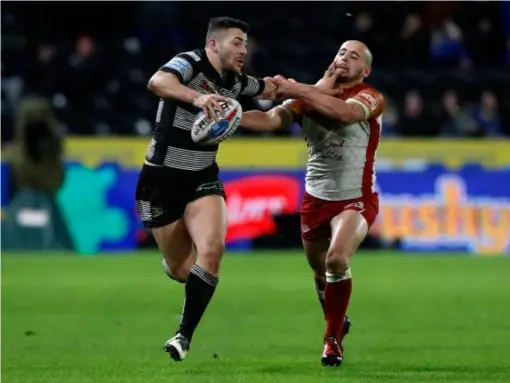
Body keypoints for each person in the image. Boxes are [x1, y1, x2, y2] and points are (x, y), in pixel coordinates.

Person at [135, 16, 278, 362]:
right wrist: (198, 100)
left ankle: (183, 337)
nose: (244, 49)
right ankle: (171, 265)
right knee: (184, 271)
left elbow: (269, 89)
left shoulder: (237, 82)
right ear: (214, 45)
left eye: (245, 43)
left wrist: (314, 89)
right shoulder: (189, 62)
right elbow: (158, 81)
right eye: (237, 42)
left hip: (202, 177)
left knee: (212, 252)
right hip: (160, 181)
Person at [240, 40, 385, 367]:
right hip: (315, 200)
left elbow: (344, 113)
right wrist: (232, 116)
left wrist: (296, 88)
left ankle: (331, 339)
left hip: (356, 199)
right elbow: (272, 120)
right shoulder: (305, 99)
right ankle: (337, 320)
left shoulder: (370, 97)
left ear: (366, 70)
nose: (345, 59)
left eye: (354, 56)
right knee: (321, 275)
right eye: (341, 53)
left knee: (336, 260)